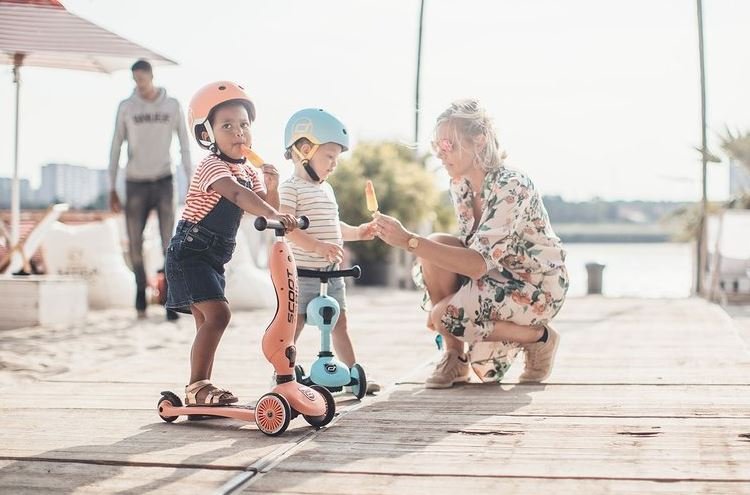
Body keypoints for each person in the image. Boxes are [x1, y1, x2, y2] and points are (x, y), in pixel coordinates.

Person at [373, 99, 568, 389]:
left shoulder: (512, 185)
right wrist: (415, 244)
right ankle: (455, 358)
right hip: (496, 277)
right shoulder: (460, 185)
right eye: (437, 146)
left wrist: (409, 241)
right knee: (436, 246)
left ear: (478, 141)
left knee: (443, 315)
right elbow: (466, 253)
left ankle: (540, 337)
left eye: (448, 144)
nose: (440, 153)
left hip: (535, 287)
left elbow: (477, 264)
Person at [165, 81, 297, 406]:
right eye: (227, 126)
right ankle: (198, 386)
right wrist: (271, 210)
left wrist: (272, 189)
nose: (239, 132)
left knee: (207, 323)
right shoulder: (212, 166)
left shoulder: (248, 172)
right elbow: (239, 196)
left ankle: (199, 388)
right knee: (218, 316)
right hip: (189, 253)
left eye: (244, 125)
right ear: (206, 134)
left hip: (213, 257)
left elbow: (263, 208)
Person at [278, 108, 381, 395]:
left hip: (332, 274)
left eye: (337, 158)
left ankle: (353, 371)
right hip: (303, 274)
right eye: (329, 157)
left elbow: (333, 226)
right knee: (294, 325)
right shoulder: (291, 189)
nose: (334, 164)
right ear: (304, 150)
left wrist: (358, 232)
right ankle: (283, 374)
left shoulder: (327, 189)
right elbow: (287, 228)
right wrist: (316, 246)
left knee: (340, 323)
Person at [108, 59, 192, 321]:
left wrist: (190, 182)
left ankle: (169, 298)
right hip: (135, 182)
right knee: (134, 243)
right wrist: (112, 187)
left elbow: (184, 145)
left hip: (165, 180)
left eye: (142, 80)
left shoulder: (172, 105)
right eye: (135, 80)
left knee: (169, 242)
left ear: (152, 77)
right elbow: (115, 146)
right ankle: (139, 290)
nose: (139, 85)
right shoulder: (126, 107)